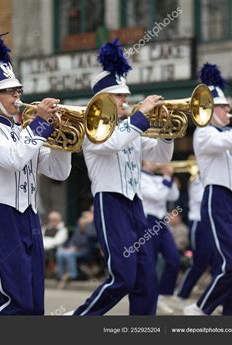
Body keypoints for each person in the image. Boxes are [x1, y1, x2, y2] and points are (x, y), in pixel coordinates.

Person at [0, 25, 71, 315]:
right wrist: (39, 126)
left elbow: (58, 171)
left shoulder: (23, 130)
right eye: (8, 91)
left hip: (30, 215)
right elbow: (13, 158)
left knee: (35, 303)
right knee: (18, 301)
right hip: (3, 214)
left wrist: (64, 140)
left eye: (17, 90)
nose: (16, 96)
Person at [71, 39, 174, 316]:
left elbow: (161, 156)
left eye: (125, 96)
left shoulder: (131, 128)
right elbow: (111, 144)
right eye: (119, 97)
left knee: (147, 281)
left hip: (135, 205)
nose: (125, 101)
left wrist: (167, 131)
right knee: (123, 277)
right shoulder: (93, 130)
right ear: (102, 100)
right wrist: (139, 118)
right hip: (110, 203)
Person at [184, 63, 232, 315]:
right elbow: (230, 140)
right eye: (223, 107)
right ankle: (201, 307)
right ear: (209, 109)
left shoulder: (230, 133)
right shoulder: (204, 134)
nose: (228, 110)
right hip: (218, 200)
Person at [140, 161, 180, 314]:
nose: (157, 162)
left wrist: (169, 177)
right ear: (143, 161)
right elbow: (157, 196)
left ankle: (162, 296)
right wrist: (167, 178)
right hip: (147, 221)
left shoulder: (158, 178)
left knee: (174, 259)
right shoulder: (139, 177)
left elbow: (173, 195)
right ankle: (149, 299)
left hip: (162, 222)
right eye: (152, 159)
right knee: (150, 263)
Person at [177, 174, 219, 305]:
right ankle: (182, 294)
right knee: (199, 262)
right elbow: (204, 198)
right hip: (199, 223)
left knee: (218, 262)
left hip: (214, 224)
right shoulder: (197, 180)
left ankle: (218, 300)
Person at [56, 214, 90, 289]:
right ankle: (61, 275)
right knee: (60, 253)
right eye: (80, 224)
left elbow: (86, 243)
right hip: (74, 249)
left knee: (69, 255)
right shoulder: (77, 231)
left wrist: (74, 248)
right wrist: (68, 247)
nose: (81, 225)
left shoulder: (89, 231)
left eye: (82, 224)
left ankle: (72, 275)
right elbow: (72, 241)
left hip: (84, 251)